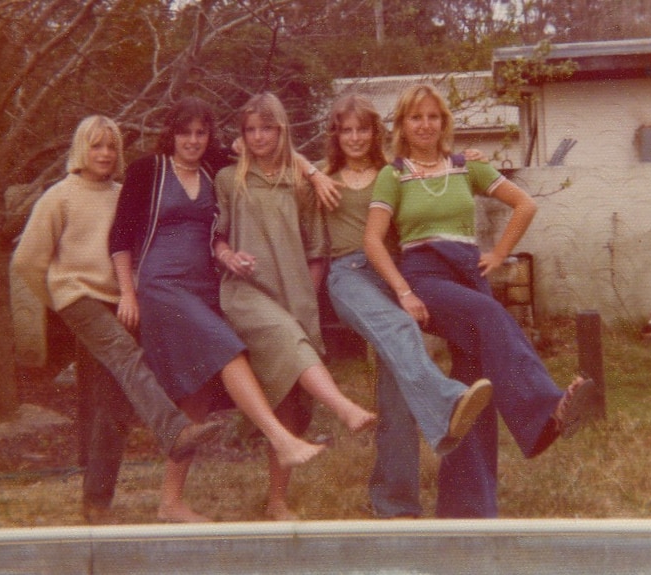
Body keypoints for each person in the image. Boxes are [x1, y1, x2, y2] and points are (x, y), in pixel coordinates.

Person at [364, 84, 597, 518]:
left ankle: (467, 509)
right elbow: (373, 240)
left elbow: (524, 205)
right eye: (416, 117)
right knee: (491, 316)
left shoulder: (465, 167)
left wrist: (500, 253)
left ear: (444, 122)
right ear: (403, 125)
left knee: (476, 385)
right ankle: (546, 413)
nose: (426, 125)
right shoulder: (392, 175)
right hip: (426, 275)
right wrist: (404, 291)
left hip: (468, 271)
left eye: (433, 117)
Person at [109, 97, 325, 523]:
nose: (192, 140)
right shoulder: (147, 171)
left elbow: (273, 148)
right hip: (162, 288)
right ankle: (279, 438)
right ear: (170, 134)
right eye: (184, 132)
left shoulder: (216, 170)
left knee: (200, 393)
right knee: (228, 350)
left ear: (209, 136)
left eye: (200, 133)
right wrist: (127, 293)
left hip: (210, 289)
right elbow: (120, 236)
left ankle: (172, 502)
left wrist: (313, 171)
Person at [11, 115, 221, 524]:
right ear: (80, 150)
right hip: (78, 299)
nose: (105, 154)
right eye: (96, 146)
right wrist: (58, 302)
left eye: (111, 146)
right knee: (127, 356)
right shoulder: (60, 197)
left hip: (120, 300)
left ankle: (96, 503)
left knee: (111, 402)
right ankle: (174, 431)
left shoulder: (125, 192)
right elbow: (26, 261)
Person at [318, 93, 493, 518]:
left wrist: (467, 157)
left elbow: (437, 174)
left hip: (391, 274)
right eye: (346, 129)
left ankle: (396, 502)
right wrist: (308, 170)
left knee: (396, 390)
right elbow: (277, 153)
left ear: (377, 132)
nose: (355, 137)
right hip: (348, 275)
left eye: (363, 128)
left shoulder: (393, 173)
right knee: (401, 330)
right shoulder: (320, 178)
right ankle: (449, 401)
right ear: (335, 135)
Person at [212, 92, 376, 521]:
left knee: (289, 402)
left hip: (294, 294)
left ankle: (277, 500)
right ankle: (344, 409)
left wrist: (307, 302)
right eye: (250, 129)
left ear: (281, 130)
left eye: (267, 128)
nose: (259, 136)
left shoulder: (302, 182)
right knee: (286, 340)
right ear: (241, 134)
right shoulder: (229, 179)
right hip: (245, 293)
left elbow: (318, 252)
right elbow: (218, 237)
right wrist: (228, 256)